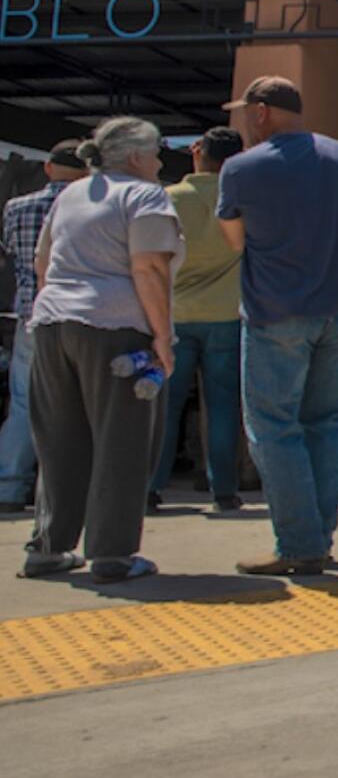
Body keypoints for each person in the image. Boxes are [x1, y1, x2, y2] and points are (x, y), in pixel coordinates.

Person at [218, 76, 338, 576]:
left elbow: (236, 242)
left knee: (272, 427)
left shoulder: (240, 168)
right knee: (324, 424)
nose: (242, 119)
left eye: (245, 111)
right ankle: (319, 536)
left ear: (260, 112)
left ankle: (299, 544)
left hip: (274, 313)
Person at [20, 118, 182, 582]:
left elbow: (42, 262)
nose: (158, 161)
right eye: (155, 152)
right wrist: (162, 336)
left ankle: (48, 547)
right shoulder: (145, 195)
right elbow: (149, 267)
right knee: (122, 440)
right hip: (116, 328)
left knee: (59, 439)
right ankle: (112, 552)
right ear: (134, 157)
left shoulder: (71, 195)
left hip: (53, 322)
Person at [150, 127, 246, 512]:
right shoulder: (244, 201)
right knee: (222, 406)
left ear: (197, 153)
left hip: (174, 314)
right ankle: (223, 488)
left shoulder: (168, 198)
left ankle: (151, 485)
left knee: (165, 406)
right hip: (226, 313)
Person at [1, 137, 87, 514]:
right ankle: (57, 493)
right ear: (86, 172)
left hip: (30, 314)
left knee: (24, 402)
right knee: (76, 404)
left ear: (48, 168)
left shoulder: (16, 207)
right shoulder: (88, 207)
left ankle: (9, 484)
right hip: (80, 315)